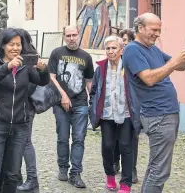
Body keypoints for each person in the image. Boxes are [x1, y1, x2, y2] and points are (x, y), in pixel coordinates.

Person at [123, 13, 185, 193]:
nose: (157, 34)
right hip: (158, 116)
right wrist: (175, 62)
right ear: (140, 28)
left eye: (159, 30)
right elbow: (148, 78)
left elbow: (181, 66)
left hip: (166, 113)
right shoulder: (133, 49)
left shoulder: (152, 48)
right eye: (154, 29)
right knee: (160, 171)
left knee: (156, 168)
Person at [0, 28, 50, 193]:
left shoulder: (25, 66)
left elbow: (42, 81)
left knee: (12, 175)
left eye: (18, 45)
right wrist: (8, 66)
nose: (16, 48)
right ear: (3, 45)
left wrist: (42, 68)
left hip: (19, 125)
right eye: (12, 44)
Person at [89, 36, 141, 193]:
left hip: (125, 113)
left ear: (121, 50)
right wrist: (94, 106)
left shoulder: (129, 68)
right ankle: (110, 175)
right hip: (106, 114)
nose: (111, 51)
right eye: (108, 48)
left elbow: (137, 89)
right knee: (107, 146)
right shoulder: (101, 68)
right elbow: (94, 91)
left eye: (114, 48)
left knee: (126, 146)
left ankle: (126, 182)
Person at [48, 25, 94, 188]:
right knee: (62, 137)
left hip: (80, 103)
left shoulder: (86, 57)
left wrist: (94, 101)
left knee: (79, 139)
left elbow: (89, 81)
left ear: (78, 35)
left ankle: (75, 173)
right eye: (69, 35)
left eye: (74, 35)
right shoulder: (56, 53)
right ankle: (63, 167)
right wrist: (63, 96)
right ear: (64, 36)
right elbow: (51, 77)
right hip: (60, 103)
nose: (72, 38)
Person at [16, 28, 41, 192]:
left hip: (25, 106)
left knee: (25, 142)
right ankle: (18, 177)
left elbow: (32, 84)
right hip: (16, 106)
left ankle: (32, 179)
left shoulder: (30, 58)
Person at [113, 28, 139, 184]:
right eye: (122, 41)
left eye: (127, 41)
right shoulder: (114, 62)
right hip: (115, 106)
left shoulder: (134, 62)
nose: (125, 45)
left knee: (131, 139)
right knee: (116, 136)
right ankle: (115, 162)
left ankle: (132, 168)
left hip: (132, 108)